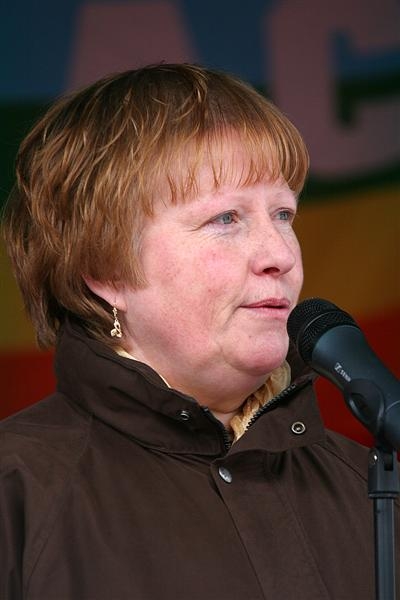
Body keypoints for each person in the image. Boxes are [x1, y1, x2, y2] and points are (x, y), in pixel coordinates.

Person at [1, 63, 398, 600]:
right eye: (226, 218)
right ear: (106, 269)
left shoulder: (372, 486)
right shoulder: (16, 494)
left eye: (284, 215)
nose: (281, 255)